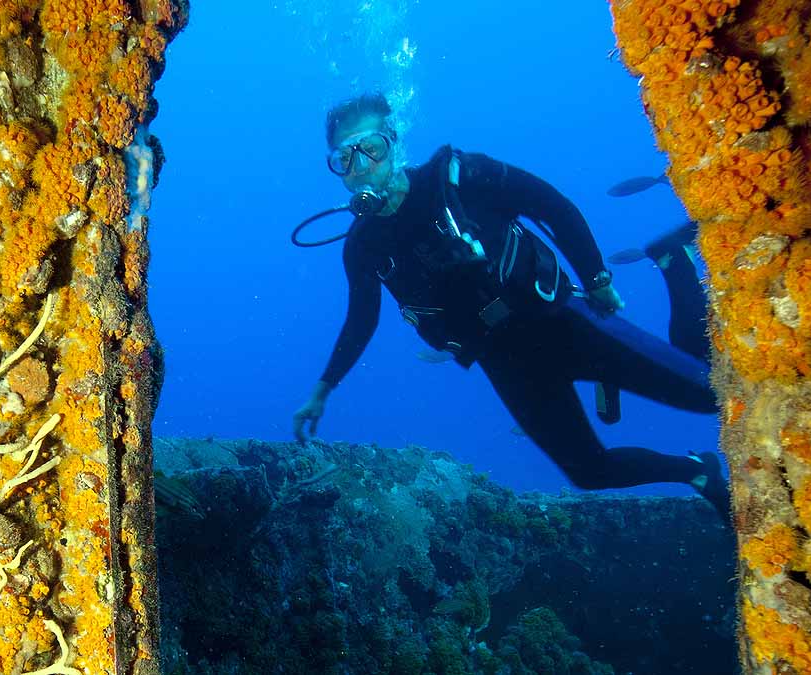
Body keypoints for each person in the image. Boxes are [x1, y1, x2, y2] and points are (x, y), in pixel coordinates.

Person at [291, 93, 731, 524]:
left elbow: (552, 206)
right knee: (589, 472)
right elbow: (361, 318)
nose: (362, 166)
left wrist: (597, 279)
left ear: (393, 140)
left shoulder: (460, 177)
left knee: (712, 395)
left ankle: (673, 260)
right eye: (344, 159)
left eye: (370, 147)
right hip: (505, 362)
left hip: (564, 322)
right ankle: (694, 469)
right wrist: (323, 389)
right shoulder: (363, 246)